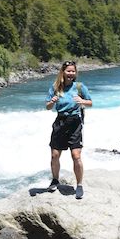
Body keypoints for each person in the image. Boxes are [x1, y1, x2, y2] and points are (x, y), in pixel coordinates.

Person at [45, 60, 92, 199]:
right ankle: (55, 180)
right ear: (63, 72)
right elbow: (47, 106)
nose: (71, 73)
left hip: (74, 123)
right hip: (60, 122)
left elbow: (90, 102)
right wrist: (52, 102)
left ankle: (79, 185)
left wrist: (82, 101)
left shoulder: (79, 87)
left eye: (73, 71)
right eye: (68, 71)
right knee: (54, 155)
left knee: (76, 156)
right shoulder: (55, 87)